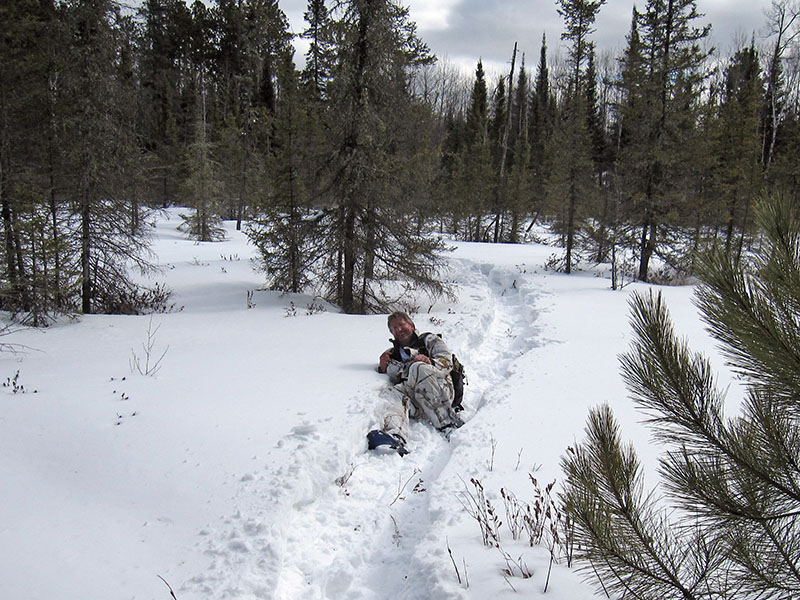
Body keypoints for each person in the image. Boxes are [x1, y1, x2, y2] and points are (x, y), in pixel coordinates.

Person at [372, 311, 464, 451]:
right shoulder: (392, 354)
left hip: (442, 391)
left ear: (412, 325)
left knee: (418, 367)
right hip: (418, 399)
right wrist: (383, 368)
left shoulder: (429, 340)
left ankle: (448, 423)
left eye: (402, 325)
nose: (399, 330)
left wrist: (430, 362)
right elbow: (396, 377)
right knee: (391, 392)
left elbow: (447, 361)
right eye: (394, 328)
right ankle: (395, 435)